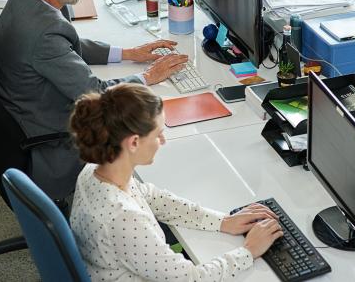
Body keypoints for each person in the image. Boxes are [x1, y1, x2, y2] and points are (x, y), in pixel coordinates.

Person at [0, 0, 187, 199]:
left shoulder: (25, 0)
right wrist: (149, 76)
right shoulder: (43, 33)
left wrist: (128, 52)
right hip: (53, 147)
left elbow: (67, 44)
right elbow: (98, 92)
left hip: (29, 118)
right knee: (151, 134)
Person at [70, 83, 283, 281]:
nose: (163, 141)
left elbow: (152, 197)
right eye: (158, 134)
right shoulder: (123, 218)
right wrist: (248, 251)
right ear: (134, 142)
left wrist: (222, 221)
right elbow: (191, 278)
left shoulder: (95, 170)